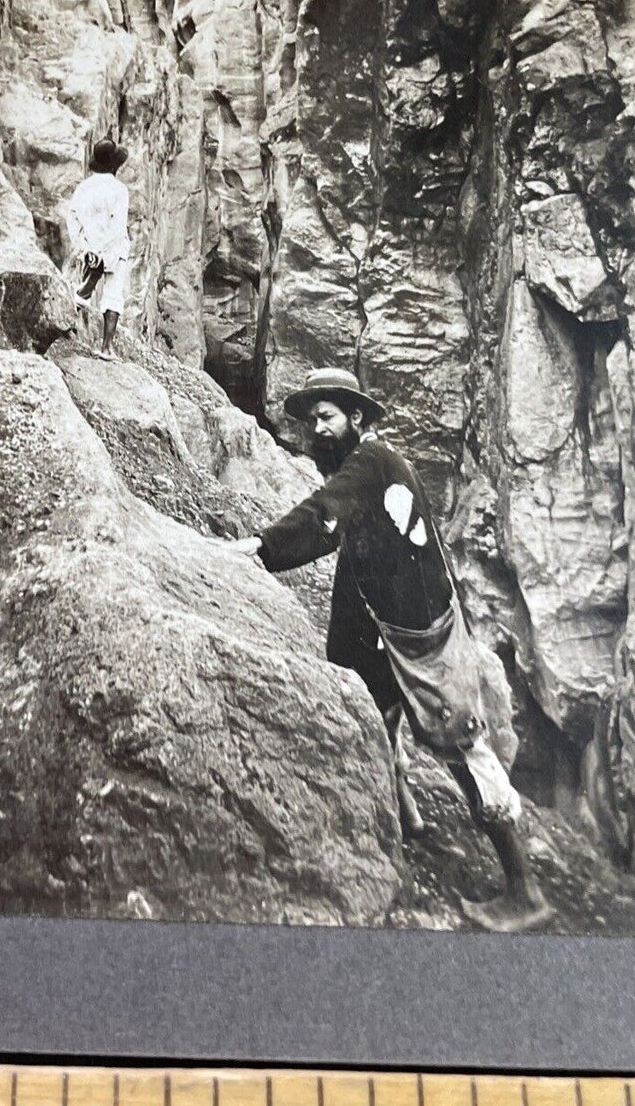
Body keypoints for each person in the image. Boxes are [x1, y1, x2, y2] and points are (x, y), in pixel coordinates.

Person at [229, 366, 553, 932]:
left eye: (327, 418)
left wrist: (261, 547)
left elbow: (323, 512)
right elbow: (339, 534)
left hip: (424, 636)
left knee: (463, 746)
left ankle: (524, 891)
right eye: (310, 423)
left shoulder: (374, 463)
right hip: (382, 624)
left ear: (357, 418)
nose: (316, 432)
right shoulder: (366, 473)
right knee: (374, 716)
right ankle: (407, 820)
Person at [63, 139, 130, 361]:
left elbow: (72, 217)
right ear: (114, 165)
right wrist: (101, 252)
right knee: (113, 295)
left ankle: (63, 332)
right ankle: (106, 347)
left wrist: (85, 248)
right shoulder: (119, 190)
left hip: (89, 249)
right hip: (112, 250)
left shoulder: (84, 187)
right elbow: (118, 227)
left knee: (84, 291)